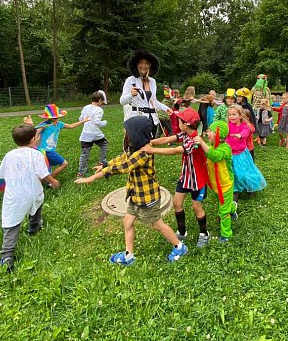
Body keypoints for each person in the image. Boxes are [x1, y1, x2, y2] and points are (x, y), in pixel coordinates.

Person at [75, 116, 188, 265]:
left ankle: (179, 247)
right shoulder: (136, 147)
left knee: (157, 224)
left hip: (147, 197)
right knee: (127, 222)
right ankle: (129, 256)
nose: (124, 133)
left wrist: (93, 177)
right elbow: (122, 158)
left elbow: (125, 166)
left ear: (136, 134)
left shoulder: (143, 153)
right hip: (136, 194)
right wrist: (105, 164)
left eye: (127, 131)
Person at [142, 108, 211, 248]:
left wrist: (152, 150)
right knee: (177, 203)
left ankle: (204, 234)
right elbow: (167, 139)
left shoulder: (195, 141)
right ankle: (182, 231)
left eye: (179, 121)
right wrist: (150, 142)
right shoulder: (184, 134)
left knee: (196, 207)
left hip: (197, 180)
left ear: (185, 124)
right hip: (185, 177)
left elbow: (175, 150)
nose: (178, 123)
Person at [0, 124, 60, 272]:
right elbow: (43, 174)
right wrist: (53, 181)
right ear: (33, 139)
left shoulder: (9, 155)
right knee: (36, 208)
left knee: (11, 223)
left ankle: (7, 256)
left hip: (14, 196)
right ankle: (33, 228)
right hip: (32, 193)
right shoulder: (36, 154)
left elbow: (2, 175)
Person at [193, 120, 237, 242]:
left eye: (210, 131)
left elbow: (215, 156)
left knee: (223, 212)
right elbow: (208, 154)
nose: (207, 133)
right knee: (226, 204)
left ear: (218, 134)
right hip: (217, 185)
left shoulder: (226, 148)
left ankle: (226, 234)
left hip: (226, 185)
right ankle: (232, 208)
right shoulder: (212, 146)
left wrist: (202, 143)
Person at [24, 104, 88, 178]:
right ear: (48, 117)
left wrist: (83, 121)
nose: (56, 118)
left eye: (57, 116)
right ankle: (49, 179)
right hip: (45, 151)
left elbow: (71, 126)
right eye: (54, 117)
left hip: (50, 150)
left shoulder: (59, 124)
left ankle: (45, 179)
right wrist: (30, 126)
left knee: (47, 167)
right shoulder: (44, 125)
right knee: (64, 163)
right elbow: (34, 134)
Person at [120, 50, 172, 136]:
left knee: (151, 143)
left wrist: (166, 108)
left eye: (146, 63)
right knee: (139, 144)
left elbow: (153, 101)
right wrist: (131, 95)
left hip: (153, 120)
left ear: (150, 65)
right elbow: (122, 101)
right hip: (138, 119)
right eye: (140, 62)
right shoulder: (130, 80)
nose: (143, 66)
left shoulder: (152, 81)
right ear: (136, 64)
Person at [226, 104, 267, 204]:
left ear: (240, 115)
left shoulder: (244, 126)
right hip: (230, 154)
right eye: (230, 115)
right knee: (233, 173)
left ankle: (250, 186)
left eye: (234, 114)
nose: (231, 117)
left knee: (244, 173)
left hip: (241, 155)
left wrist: (240, 135)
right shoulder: (228, 126)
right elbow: (222, 133)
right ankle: (235, 191)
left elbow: (246, 132)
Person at [77, 91, 108, 178]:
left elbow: (81, 119)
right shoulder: (99, 110)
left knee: (84, 154)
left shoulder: (85, 107)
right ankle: (102, 163)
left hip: (85, 135)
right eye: (102, 102)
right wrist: (104, 122)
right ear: (99, 100)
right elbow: (97, 122)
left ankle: (81, 173)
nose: (102, 104)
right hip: (95, 134)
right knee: (104, 144)